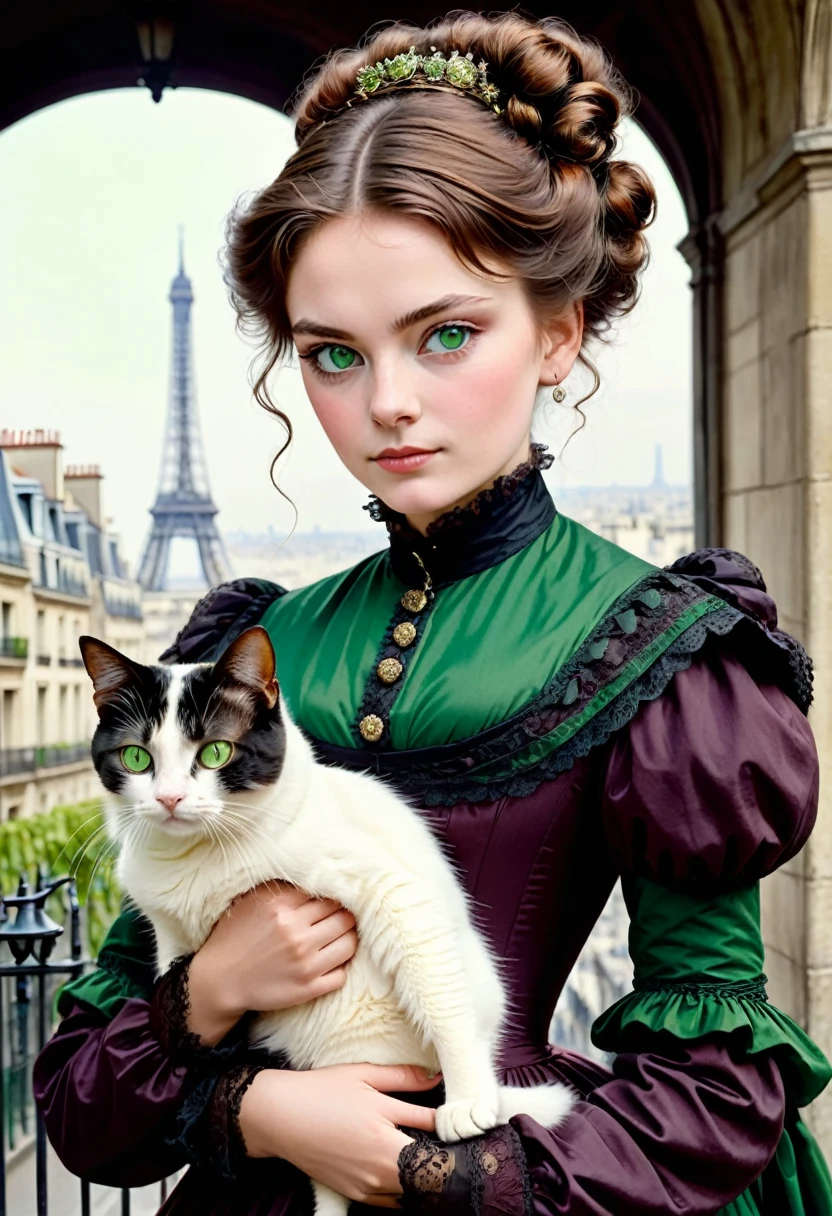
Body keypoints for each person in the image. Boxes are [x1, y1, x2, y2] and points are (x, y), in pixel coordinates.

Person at [34, 11, 832, 1214]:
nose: (387, 405)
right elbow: (87, 1098)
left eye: (445, 334)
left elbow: (714, 1090)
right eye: (332, 354)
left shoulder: (665, 651)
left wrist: (425, 1170)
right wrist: (233, 1060)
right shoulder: (246, 650)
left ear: (559, 331)